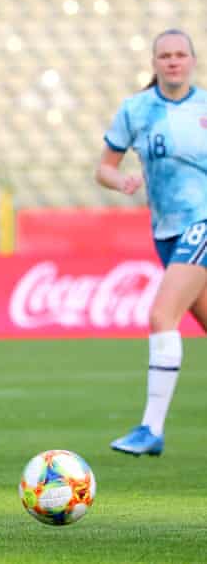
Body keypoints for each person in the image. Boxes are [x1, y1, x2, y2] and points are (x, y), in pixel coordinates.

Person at [97, 28, 207, 457]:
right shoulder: (136, 109)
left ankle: (151, 429)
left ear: (193, 61)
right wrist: (120, 179)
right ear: (155, 63)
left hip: (202, 223)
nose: (173, 61)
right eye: (165, 55)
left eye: (181, 54)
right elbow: (103, 167)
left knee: (162, 315)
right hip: (166, 232)